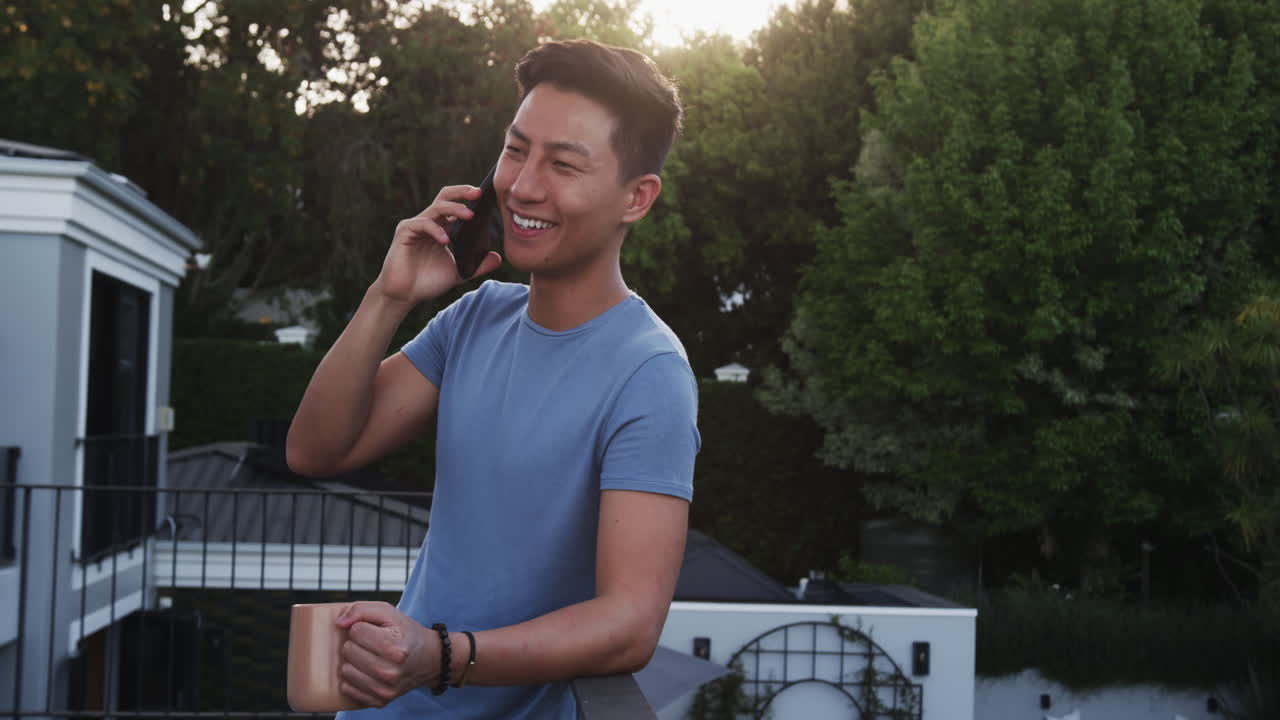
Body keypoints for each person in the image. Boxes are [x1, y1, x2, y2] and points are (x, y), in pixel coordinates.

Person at [285, 39, 699, 719]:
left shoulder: (649, 373)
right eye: (515, 150)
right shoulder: (476, 317)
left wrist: (441, 656)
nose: (523, 185)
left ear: (637, 197)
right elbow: (315, 451)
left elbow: (630, 623)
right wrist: (389, 295)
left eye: (563, 163)